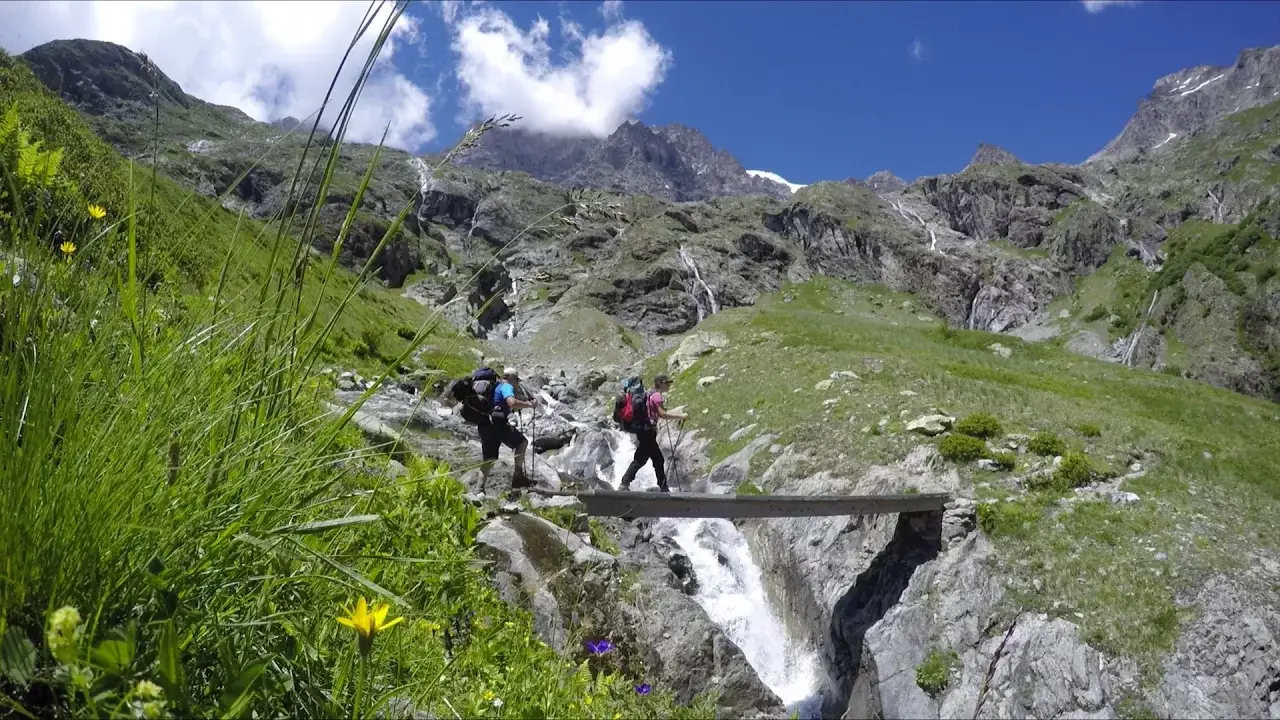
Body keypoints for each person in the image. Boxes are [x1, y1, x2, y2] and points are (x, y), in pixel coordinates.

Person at [620, 374, 687, 492]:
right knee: (647, 459)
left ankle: (662, 486)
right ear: (660, 383)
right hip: (648, 431)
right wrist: (680, 416)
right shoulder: (656, 396)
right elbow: (662, 414)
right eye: (667, 383)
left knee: (652, 459)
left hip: (644, 431)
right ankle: (625, 483)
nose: (669, 385)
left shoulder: (650, 394)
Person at [480, 368, 537, 490]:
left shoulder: (495, 387)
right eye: (516, 380)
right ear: (511, 378)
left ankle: (479, 489)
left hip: (486, 424)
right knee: (522, 442)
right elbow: (512, 403)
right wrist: (529, 405)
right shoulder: (506, 386)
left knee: (488, 459)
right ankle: (517, 477)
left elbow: (500, 405)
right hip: (499, 424)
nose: (517, 383)